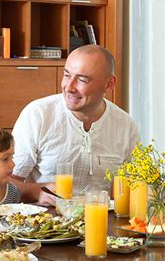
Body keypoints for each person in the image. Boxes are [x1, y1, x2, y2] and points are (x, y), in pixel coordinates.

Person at [11, 45, 140, 205]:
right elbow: (6, 182)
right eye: (67, 75)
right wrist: (37, 192)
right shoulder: (38, 115)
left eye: (82, 79)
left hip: (103, 222)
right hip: (47, 224)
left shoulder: (126, 126)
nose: (69, 87)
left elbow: (129, 189)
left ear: (109, 84)